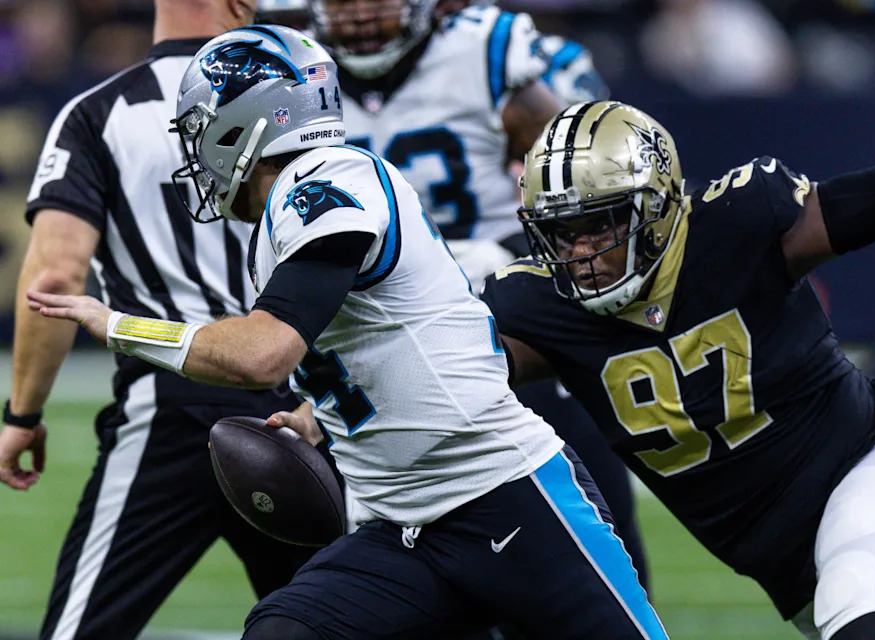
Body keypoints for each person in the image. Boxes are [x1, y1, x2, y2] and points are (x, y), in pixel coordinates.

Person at [29, 26, 668, 640]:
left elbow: (262, 356)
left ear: (245, 126)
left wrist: (115, 325)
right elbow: (375, 339)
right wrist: (317, 415)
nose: (196, 152)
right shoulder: (281, 218)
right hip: (402, 525)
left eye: (202, 131)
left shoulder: (329, 182)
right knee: (286, 629)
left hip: (505, 497)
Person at [480, 100, 875, 640]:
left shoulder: (734, 228)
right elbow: (439, 376)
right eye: (564, 232)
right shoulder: (537, 308)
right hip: (798, 573)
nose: (584, 251)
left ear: (657, 206)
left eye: (601, 223)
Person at [0, 3, 318, 639]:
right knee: (345, 620)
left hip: (168, 400)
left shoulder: (101, 112)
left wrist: (23, 415)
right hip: (298, 404)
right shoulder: (306, 96)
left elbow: (55, 279)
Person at [305, 0, 650, 587]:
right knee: (395, 545)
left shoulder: (485, 50)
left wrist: (511, 249)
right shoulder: (300, 72)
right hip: (382, 325)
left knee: (597, 536)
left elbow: (576, 174)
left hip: (508, 311)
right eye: (340, 4)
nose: (358, 15)